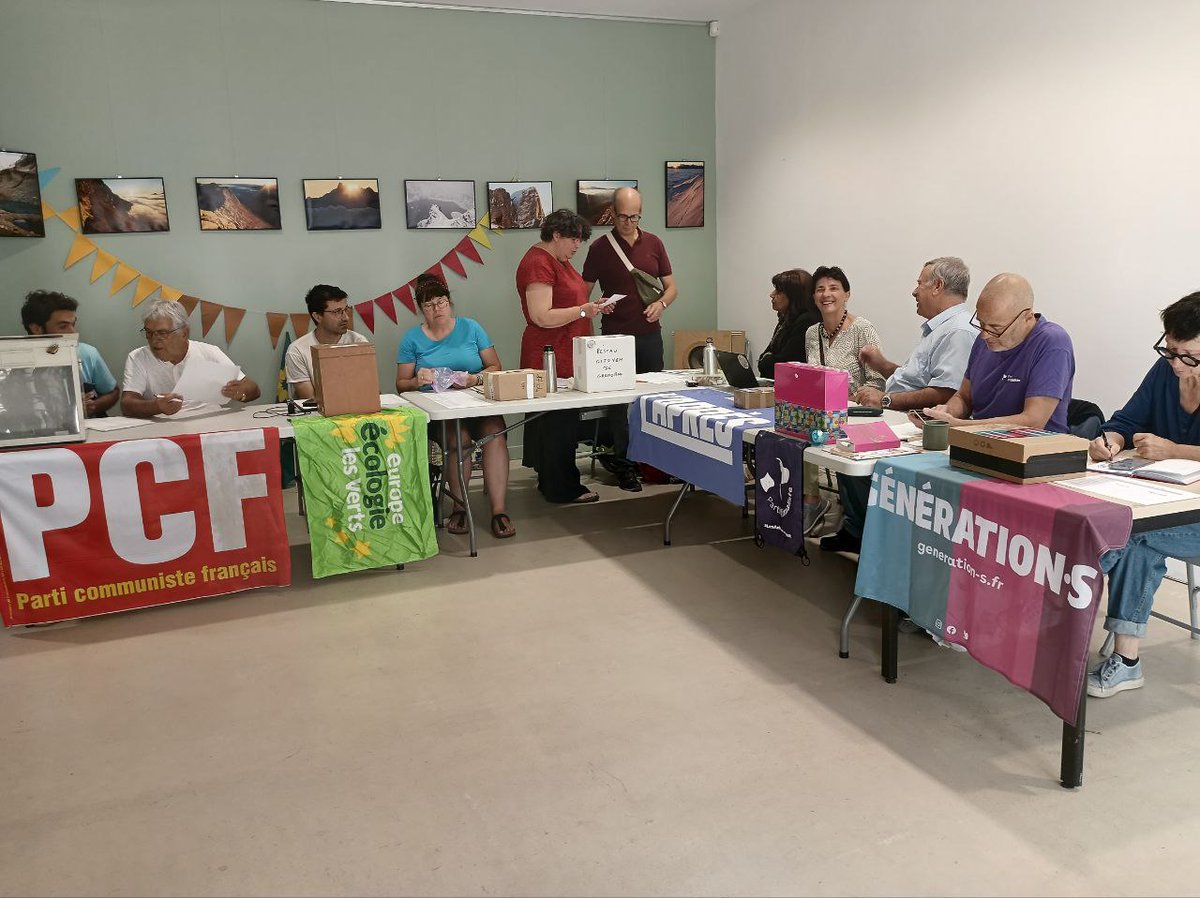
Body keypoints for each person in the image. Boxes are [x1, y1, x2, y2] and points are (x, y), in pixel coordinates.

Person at [821, 257, 978, 554]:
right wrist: (882, 365)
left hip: (922, 424)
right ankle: (859, 529)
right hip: (903, 415)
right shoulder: (938, 330)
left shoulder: (958, 332)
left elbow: (946, 392)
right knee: (844, 438)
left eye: (920, 283)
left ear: (938, 287)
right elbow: (914, 380)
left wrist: (886, 399)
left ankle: (869, 535)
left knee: (853, 444)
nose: (914, 291)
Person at [1086, 292, 1200, 698]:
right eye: (1168, 350)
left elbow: (1171, 449)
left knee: (1126, 536)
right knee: (1123, 532)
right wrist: (1110, 441)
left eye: (1186, 356)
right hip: (1163, 502)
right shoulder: (1164, 372)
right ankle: (1126, 661)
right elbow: (1126, 420)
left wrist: (1174, 450)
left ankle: (1075, 619)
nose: (1174, 363)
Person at [395, 278, 515, 539]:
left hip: (475, 401)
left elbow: (496, 367)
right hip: (440, 408)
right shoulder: (412, 338)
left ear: (450, 303)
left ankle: (499, 510)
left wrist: (475, 379)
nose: (437, 309)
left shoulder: (471, 328)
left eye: (441, 302)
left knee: (494, 433)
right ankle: (460, 507)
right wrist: (417, 381)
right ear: (420, 309)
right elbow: (401, 385)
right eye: (429, 305)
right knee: (457, 439)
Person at [581, 186, 677, 492]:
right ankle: (623, 465)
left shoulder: (654, 243)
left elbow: (672, 287)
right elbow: (583, 294)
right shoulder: (599, 248)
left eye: (634, 217)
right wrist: (598, 305)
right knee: (618, 404)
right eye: (623, 216)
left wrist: (661, 305)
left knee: (653, 400)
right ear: (612, 213)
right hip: (614, 337)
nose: (629, 223)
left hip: (650, 334)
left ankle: (655, 462)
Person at [517, 208, 603, 504]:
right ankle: (562, 487)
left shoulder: (561, 260)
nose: (578, 246)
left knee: (560, 422)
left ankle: (553, 480)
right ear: (556, 235)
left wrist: (594, 306)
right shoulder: (538, 263)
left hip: (567, 349)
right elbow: (541, 315)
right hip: (549, 352)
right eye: (574, 239)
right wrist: (583, 310)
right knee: (558, 423)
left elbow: (573, 299)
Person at [917, 272, 1075, 432]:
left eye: (996, 328)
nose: (985, 335)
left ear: (1027, 318)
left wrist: (959, 426)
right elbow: (964, 397)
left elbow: (1033, 421)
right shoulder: (984, 339)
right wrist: (946, 413)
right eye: (981, 323)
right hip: (981, 442)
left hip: (1035, 449)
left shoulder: (1052, 342)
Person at [801, 266, 885, 534]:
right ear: (814, 296)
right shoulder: (811, 333)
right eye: (820, 289)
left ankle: (845, 510)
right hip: (820, 412)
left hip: (855, 414)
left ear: (846, 294)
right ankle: (811, 501)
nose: (826, 294)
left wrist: (848, 398)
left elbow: (876, 381)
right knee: (797, 435)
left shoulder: (862, 329)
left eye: (833, 288)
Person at [120, 299, 260, 418]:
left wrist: (240, 393)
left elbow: (253, 388)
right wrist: (156, 407)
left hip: (209, 423)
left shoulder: (209, 352)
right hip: (162, 429)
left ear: (184, 333)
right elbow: (127, 404)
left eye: (162, 333)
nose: (154, 340)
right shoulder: (138, 357)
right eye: (149, 333)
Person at [20, 289, 118, 418]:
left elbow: (113, 392)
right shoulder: (17, 364)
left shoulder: (86, 353)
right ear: (36, 328)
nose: (72, 333)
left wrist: (93, 406)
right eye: (63, 326)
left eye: (73, 324)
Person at [285, 284, 369, 400]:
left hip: (356, 411)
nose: (345, 318)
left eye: (346, 310)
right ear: (317, 316)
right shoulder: (297, 350)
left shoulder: (358, 342)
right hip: (317, 416)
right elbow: (310, 399)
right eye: (337, 312)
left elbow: (368, 388)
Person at [757, 269, 819, 378]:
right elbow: (764, 358)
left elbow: (784, 365)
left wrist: (768, 359)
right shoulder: (786, 319)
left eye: (779, 291)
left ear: (794, 295)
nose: (772, 295)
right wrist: (768, 359)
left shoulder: (807, 321)